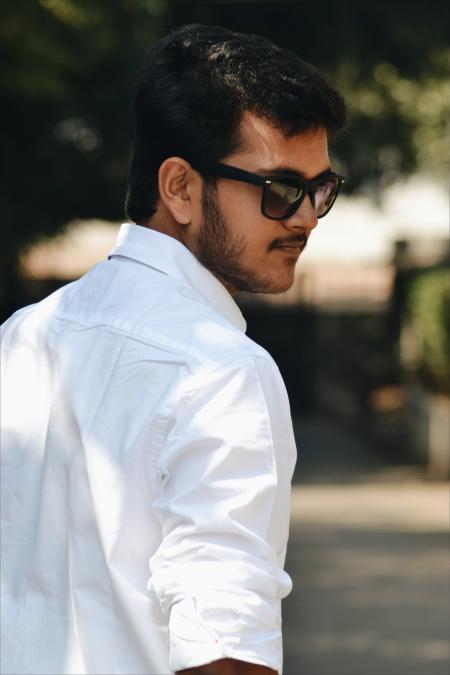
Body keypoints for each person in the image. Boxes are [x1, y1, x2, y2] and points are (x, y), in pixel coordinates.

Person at [1, 23, 346, 675]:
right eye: (279, 190)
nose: (304, 217)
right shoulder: (222, 372)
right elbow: (224, 651)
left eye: (321, 189)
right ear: (180, 187)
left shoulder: (22, 337)